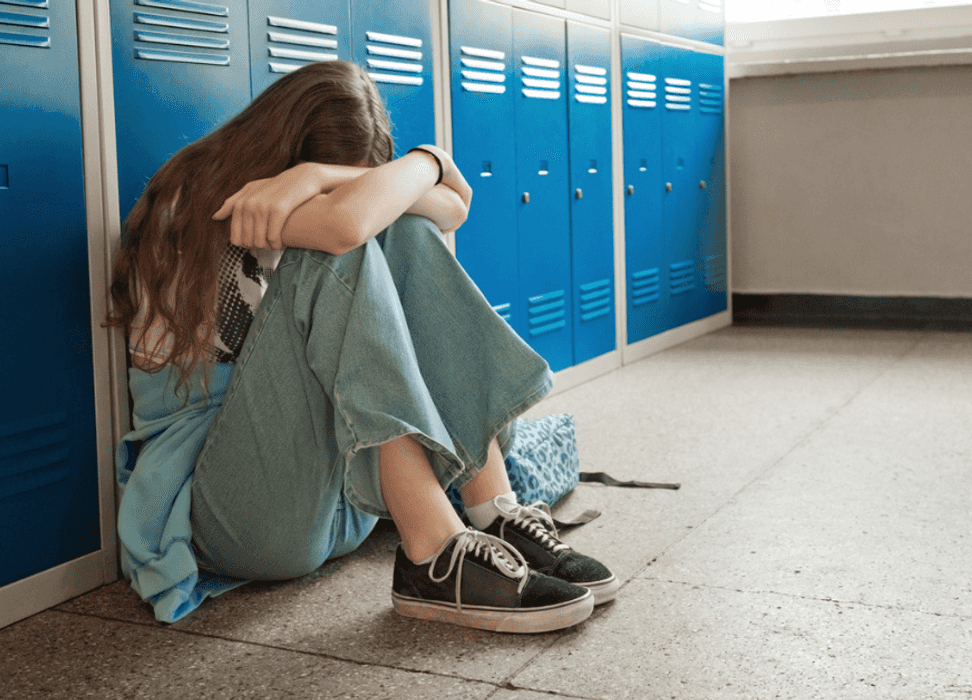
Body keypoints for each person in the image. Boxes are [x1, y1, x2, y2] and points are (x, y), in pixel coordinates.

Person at [106, 60, 619, 634]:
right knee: (356, 239)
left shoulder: (304, 194)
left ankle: (492, 513)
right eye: (315, 171)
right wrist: (410, 170)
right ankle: (433, 554)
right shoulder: (206, 200)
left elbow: (453, 206)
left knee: (401, 225)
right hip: (231, 513)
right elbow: (349, 229)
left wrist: (325, 175)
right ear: (278, 153)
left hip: (341, 500)